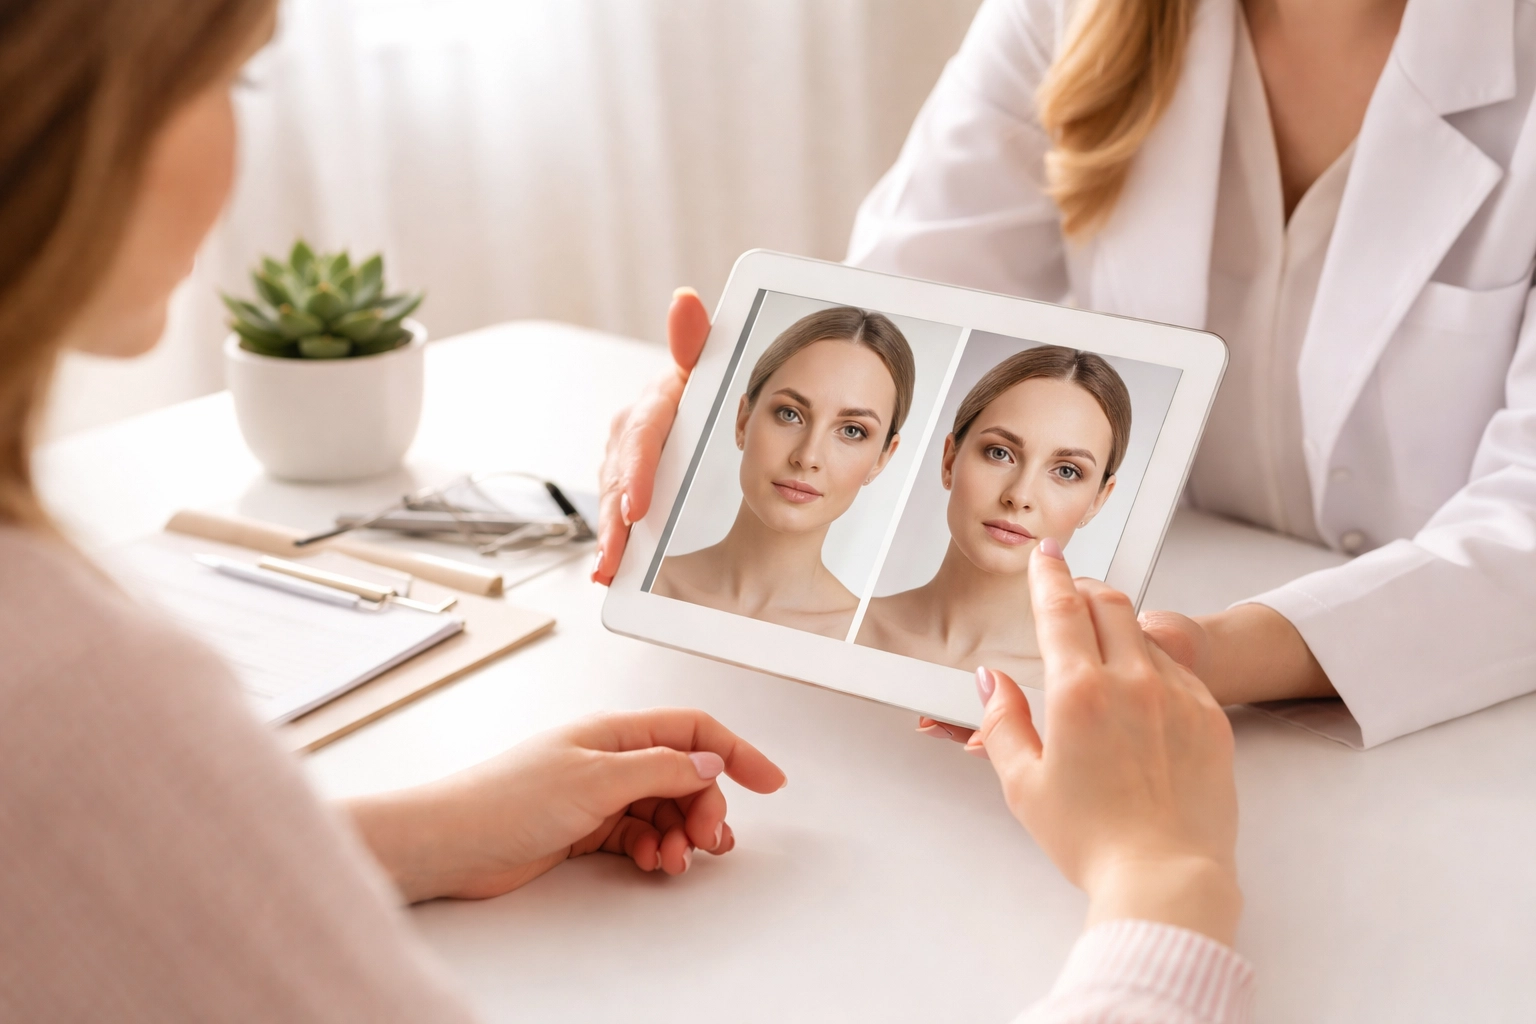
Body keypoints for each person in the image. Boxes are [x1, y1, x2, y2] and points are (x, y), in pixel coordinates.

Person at [0, 1, 1253, 1018]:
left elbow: (57, 895)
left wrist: (412, 834)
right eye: (233, 79)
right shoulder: (72, 695)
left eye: (856, 425)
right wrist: (1167, 892)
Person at [597, 0, 1536, 749]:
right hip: (1161, 651)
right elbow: (904, 301)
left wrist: (1207, 651)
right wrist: (707, 392)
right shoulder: (1069, 13)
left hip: (1470, 713)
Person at [857, 346, 1131, 678]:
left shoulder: (1084, 687)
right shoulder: (844, 628)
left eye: (1067, 471)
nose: (1019, 496)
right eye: (999, 453)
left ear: (1098, 500)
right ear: (949, 461)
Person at [653, 306, 914, 638]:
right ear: (743, 421)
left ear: (881, 459)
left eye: (851, 431)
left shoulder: (872, 642)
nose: (807, 457)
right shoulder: (648, 582)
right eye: (790, 414)